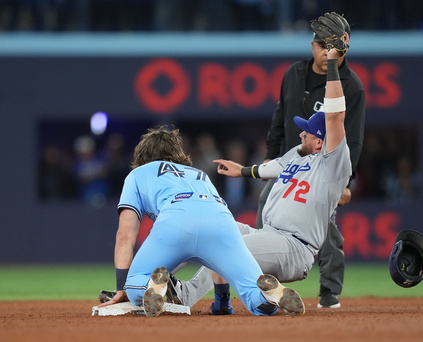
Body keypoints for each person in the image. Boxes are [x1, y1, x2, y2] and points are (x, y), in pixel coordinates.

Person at [172, 38, 353, 313]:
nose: (301, 132)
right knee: (209, 227)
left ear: (321, 142)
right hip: (269, 235)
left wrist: (331, 64)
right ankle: (234, 298)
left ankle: (183, 295)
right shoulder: (298, 154)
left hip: (295, 246)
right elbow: (273, 168)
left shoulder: (332, 166)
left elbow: (335, 117)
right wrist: (242, 171)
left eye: (308, 132)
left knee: (226, 246)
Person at [97, 125, 305, 317]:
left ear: (141, 155)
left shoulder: (138, 174)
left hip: (175, 221)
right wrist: (222, 302)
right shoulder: (199, 175)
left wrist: (121, 289)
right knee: (252, 291)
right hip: (221, 221)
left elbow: (125, 236)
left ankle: (154, 286)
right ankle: (267, 296)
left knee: (135, 286)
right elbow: (211, 234)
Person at [257, 13, 365, 308]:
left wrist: (345, 179)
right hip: (290, 163)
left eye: (325, 44)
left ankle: (329, 290)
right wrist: (270, 155)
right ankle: (266, 280)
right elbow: (279, 117)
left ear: (339, 49)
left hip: (322, 170)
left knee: (324, 227)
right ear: (313, 45)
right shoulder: (294, 73)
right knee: (265, 205)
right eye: (317, 43)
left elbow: (352, 138)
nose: (320, 49)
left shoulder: (350, 86)